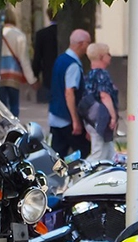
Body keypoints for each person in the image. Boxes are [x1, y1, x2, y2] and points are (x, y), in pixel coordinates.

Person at [0, 8, 37, 117]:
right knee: (14, 104)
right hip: (13, 74)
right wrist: (31, 80)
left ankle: (1, 128)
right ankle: (13, 128)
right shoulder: (19, 35)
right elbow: (24, 59)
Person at [48, 29, 91, 158]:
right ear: (81, 44)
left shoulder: (60, 60)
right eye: (88, 43)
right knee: (85, 153)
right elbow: (69, 93)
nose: (88, 47)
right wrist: (75, 120)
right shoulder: (73, 65)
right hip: (67, 119)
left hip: (55, 115)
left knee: (58, 156)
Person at [80, 43, 119, 162]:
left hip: (91, 120)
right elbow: (104, 96)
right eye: (108, 53)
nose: (110, 56)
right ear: (102, 56)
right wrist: (113, 117)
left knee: (109, 152)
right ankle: (81, 175)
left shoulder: (89, 75)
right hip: (101, 119)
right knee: (98, 154)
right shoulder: (102, 74)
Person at [32, 8, 58, 103]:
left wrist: (35, 75)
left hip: (48, 72)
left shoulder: (42, 34)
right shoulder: (68, 33)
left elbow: (37, 57)